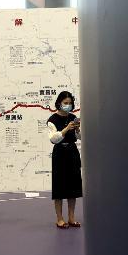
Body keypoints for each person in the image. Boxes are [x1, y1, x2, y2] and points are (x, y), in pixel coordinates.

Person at [47, 91, 82, 229]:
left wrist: (77, 130)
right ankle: (60, 219)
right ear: (59, 103)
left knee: (73, 187)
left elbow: (80, 137)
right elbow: (53, 139)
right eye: (65, 103)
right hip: (60, 153)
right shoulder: (52, 119)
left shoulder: (73, 117)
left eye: (70, 103)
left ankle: (72, 218)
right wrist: (66, 129)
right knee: (59, 187)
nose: (68, 105)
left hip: (72, 152)